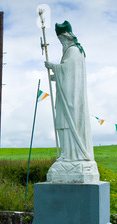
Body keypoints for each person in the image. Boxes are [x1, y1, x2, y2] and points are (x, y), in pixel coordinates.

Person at [44, 21, 99, 182]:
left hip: (71, 101)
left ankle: (71, 156)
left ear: (67, 36)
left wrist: (53, 66)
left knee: (68, 124)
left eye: (61, 39)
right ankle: (67, 154)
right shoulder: (74, 51)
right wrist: (55, 77)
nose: (61, 43)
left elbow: (67, 70)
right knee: (63, 124)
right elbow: (69, 76)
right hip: (68, 95)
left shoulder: (73, 51)